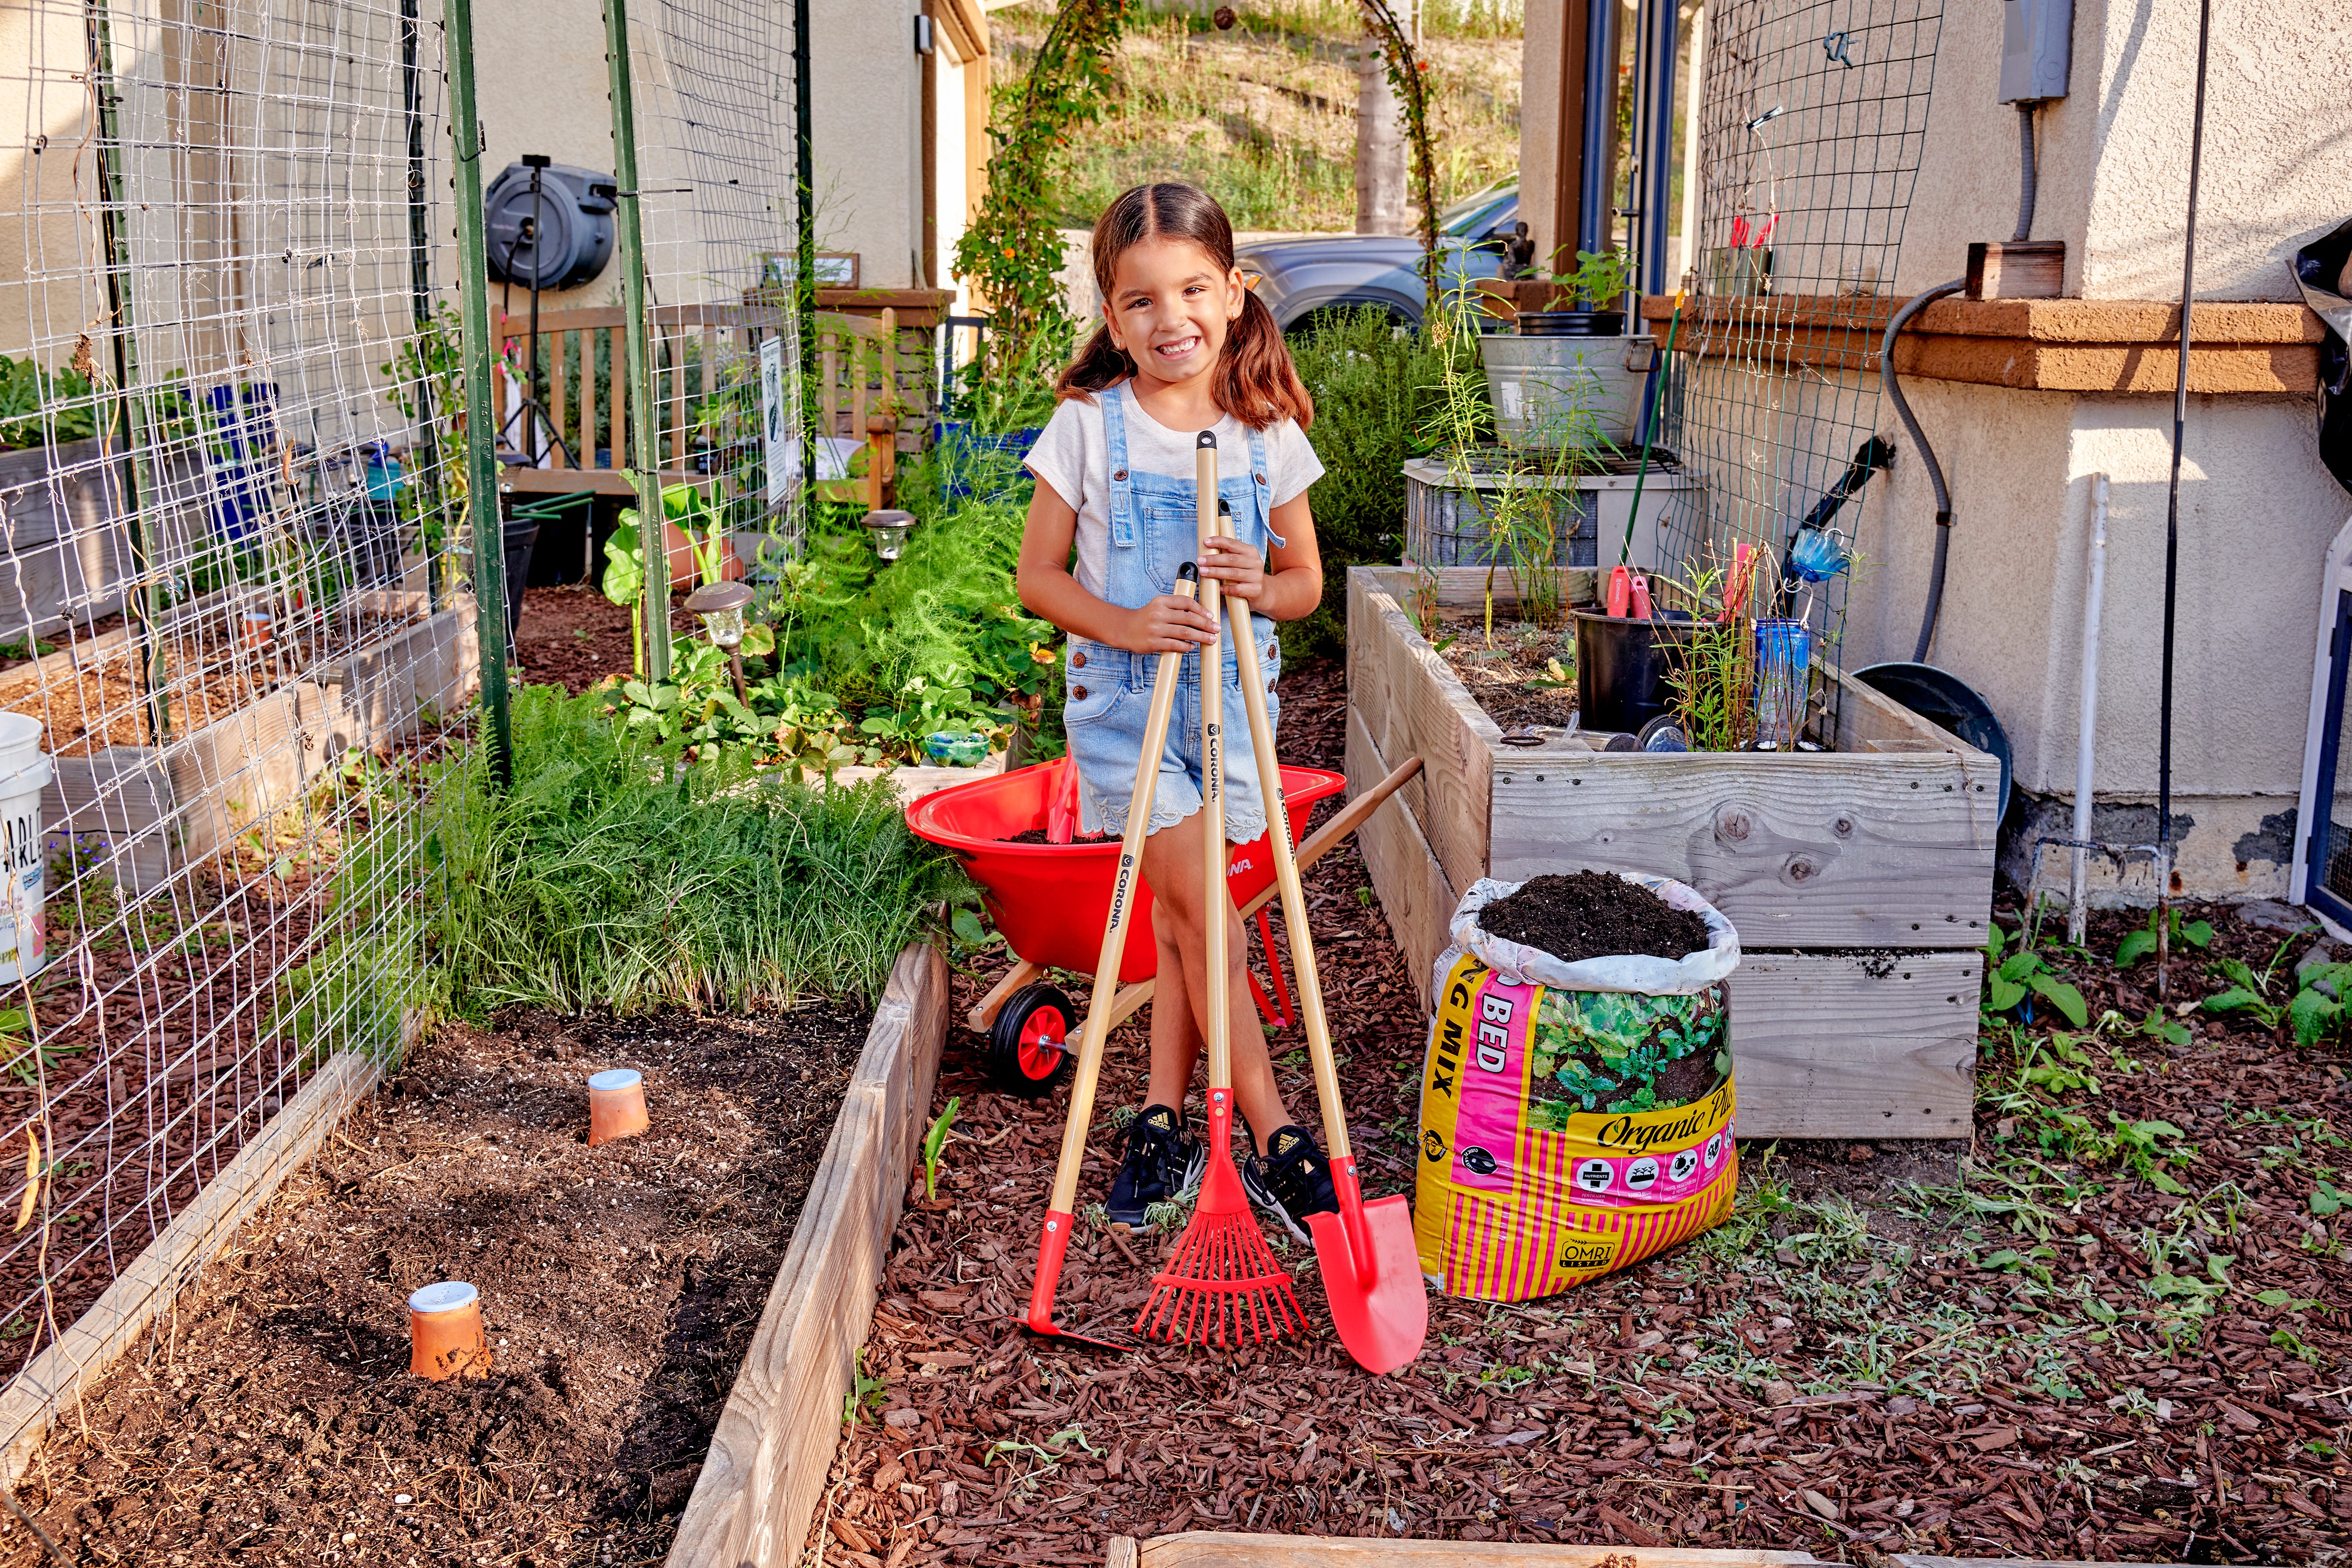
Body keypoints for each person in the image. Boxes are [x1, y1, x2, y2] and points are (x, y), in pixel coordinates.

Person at [1017, 182, 1338, 1243]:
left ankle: (1159, 1115)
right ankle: (1279, 1131)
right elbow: (1039, 579)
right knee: (1208, 916)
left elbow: (1308, 586)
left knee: (1183, 919)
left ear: (1235, 294)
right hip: (1126, 705)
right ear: (1113, 318)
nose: (1172, 319)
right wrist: (1124, 624)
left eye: (1194, 289)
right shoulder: (1084, 426)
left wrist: (1259, 580)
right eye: (1142, 300)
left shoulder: (1266, 435)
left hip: (1236, 704)